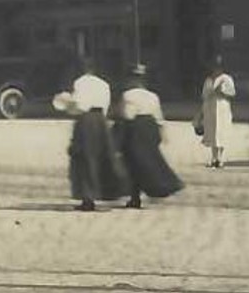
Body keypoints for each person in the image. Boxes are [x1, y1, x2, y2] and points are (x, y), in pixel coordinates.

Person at [53, 63, 128, 212]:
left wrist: (68, 105)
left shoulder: (80, 83)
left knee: (85, 157)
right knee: (102, 156)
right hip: (101, 119)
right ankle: (106, 192)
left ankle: (87, 198)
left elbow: (80, 105)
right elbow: (106, 105)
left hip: (86, 120)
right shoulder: (103, 84)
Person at [115, 65, 183, 209]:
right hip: (150, 129)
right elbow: (159, 117)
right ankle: (144, 192)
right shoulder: (153, 96)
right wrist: (162, 134)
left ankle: (135, 197)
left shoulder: (128, 95)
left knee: (133, 163)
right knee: (148, 161)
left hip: (136, 129)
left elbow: (127, 115)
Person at [197, 54, 236, 169]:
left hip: (222, 107)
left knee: (222, 133)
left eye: (218, 68)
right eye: (214, 67)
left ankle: (221, 159)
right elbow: (204, 95)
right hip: (210, 108)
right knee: (212, 133)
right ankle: (214, 158)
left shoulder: (227, 79)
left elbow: (232, 93)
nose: (216, 70)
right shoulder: (208, 80)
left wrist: (222, 91)